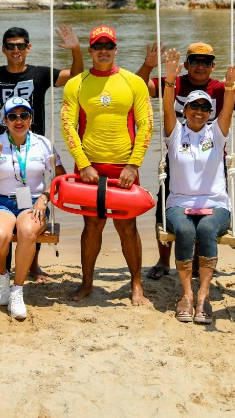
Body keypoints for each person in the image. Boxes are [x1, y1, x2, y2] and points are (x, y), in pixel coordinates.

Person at [0, 19, 83, 281]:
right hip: (2, 145)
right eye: (10, 46)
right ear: (3, 49)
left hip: (34, 145)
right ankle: (3, 269)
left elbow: (76, 77)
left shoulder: (40, 73)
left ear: (28, 47)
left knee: (32, 201)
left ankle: (33, 266)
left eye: (20, 45)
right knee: (4, 197)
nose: (15, 50)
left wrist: (76, 50)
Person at [135, 41, 235, 279]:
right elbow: (137, 88)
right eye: (195, 61)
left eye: (205, 62)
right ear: (186, 64)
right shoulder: (174, 81)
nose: (200, 66)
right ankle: (164, 262)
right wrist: (149, 65)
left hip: (211, 161)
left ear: (213, 66)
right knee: (165, 214)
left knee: (206, 213)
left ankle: (197, 263)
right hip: (178, 158)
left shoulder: (220, 88)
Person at [60, 24, 154, 305]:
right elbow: (68, 126)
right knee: (92, 226)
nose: (103, 51)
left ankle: (136, 283)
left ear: (115, 49)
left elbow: (146, 124)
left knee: (127, 227)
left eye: (108, 46)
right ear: (90, 50)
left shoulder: (133, 82)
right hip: (90, 167)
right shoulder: (76, 83)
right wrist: (82, 163)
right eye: (98, 46)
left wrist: (134, 165)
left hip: (123, 166)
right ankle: (87, 283)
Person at [159, 47, 235, 324]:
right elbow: (166, 104)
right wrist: (170, 79)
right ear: (185, 110)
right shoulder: (175, 133)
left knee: (207, 229)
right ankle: (185, 295)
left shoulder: (216, 134)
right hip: (180, 204)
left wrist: (229, 86)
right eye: (193, 106)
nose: (198, 111)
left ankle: (203, 297)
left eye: (205, 107)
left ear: (210, 112)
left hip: (215, 204)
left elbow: (228, 109)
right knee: (183, 230)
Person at [0, 95, 66, 320]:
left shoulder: (44, 144)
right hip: (1, 201)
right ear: (4, 120)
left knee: (26, 232)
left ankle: (17, 290)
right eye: (12, 116)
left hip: (33, 202)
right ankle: (2, 277)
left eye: (24, 115)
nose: (19, 120)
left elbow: (61, 180)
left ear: (31, 119)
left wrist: (44, 198)